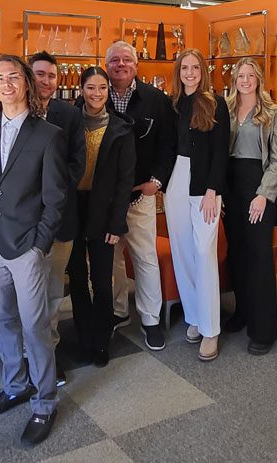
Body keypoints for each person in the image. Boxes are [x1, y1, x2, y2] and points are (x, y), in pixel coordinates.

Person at [0, 55, 67, 446]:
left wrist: (41, 243)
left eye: (13, 77)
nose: (6, 84)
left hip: (26, 245)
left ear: (26, 83)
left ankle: (44, 402)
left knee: (34, 326)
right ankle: (15, 386)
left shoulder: (48, 135)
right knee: (2, 321)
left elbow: (55, 198)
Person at [105, 40, 176, 351]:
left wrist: (157, 181)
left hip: (140, 194)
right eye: (114, 61)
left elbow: (168, 143)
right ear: (106, 66)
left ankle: (150, 318)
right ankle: (118, 311)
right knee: (111, 259)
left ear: (136, 65)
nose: (121, 65)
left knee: (145, 257)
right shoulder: (94, 95)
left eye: (126, 60)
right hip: (105, 198)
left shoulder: (155, 99)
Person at [164, 49, 230, 362]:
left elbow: (221, 151)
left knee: (204, 253)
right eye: (184, 68)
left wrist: (211, 190)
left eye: (195, 67)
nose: (190, 72)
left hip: (205, 186)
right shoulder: (173, 104)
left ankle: (212, 329)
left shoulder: (216, 103)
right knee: (183, 252)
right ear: (178, 72)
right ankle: (194, 316)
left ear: (203, 71)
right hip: (176, 181)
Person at [69, 66, 135, 368]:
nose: (96, 94)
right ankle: (83, 334)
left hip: (104, 209)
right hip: (72, 207)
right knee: (78, 278)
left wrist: (117, 221)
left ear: (109, 91)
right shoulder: (68, 122)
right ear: (81, 89)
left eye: (102, 88)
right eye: (91, 87)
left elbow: (125, 181)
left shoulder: (121, 128)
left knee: (102, 278)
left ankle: (101, 338)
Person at [29, 51, 86, 386]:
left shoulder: (69, 114)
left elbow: (78, 163)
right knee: (23, 292)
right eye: (39, 74)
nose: (45, 81)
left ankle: (47, 353)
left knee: (51, 290)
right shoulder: (15, 111)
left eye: (51, 75)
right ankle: (25, 354)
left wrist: (51, 192)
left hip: (60, 217)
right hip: (23, 222)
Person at [224, 57, 277, 356]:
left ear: (259, 79)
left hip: (258, 187)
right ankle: (243, 312)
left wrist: (264, 195)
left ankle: (264, 329)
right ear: (235, 79)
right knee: (236, 254)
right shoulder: (227, 108)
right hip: (231, 187)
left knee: (259, 256)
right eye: (240, 75)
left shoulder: (274, 113)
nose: (245, 80)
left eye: (250, 75)